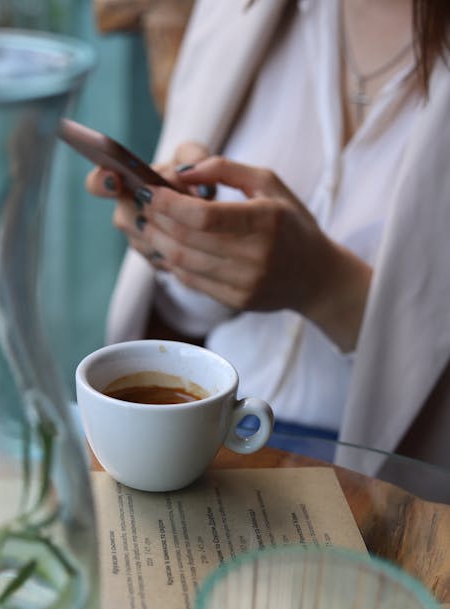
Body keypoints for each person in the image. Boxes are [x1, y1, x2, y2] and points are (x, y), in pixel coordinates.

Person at [86, 0, 450, 476]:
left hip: (389, 491)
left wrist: (328, 288)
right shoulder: (237, 12)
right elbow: (185, 318)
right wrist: (180, 240)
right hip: (210, 447)